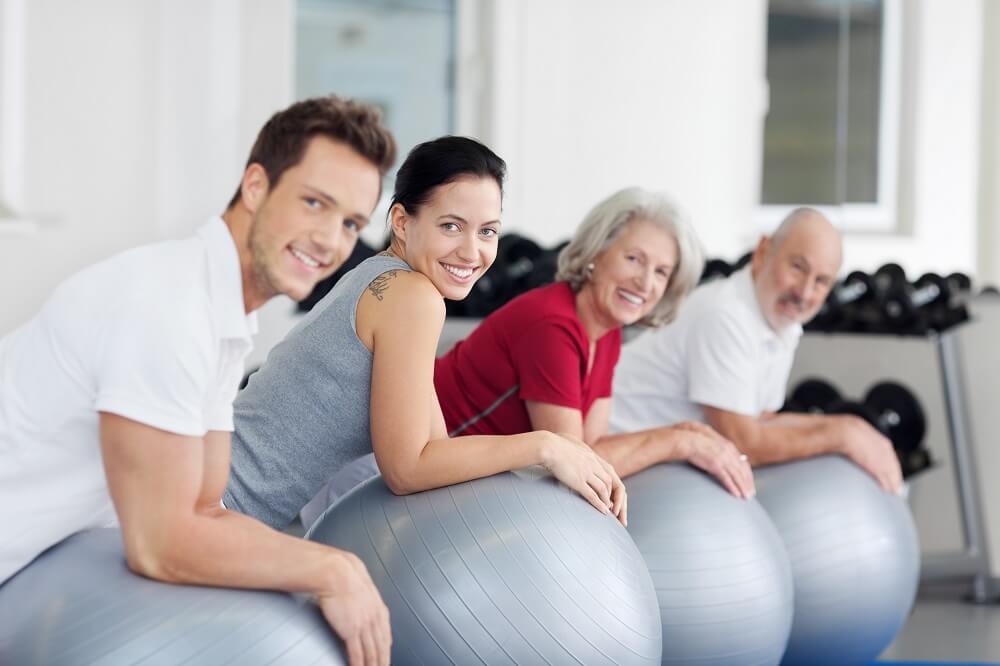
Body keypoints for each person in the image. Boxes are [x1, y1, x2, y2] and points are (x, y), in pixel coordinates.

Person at [0, 95, 397, 666]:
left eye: (350, 223)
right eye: (314, 203)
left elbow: (206, 508)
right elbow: (160, 544)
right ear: (256, 186)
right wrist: (333, 570)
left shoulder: (219, 315)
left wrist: (335, 572)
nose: (331, 240)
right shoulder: (166, 305)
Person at [225, 135, 627, 533]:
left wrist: (560, 449)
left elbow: (436, 449)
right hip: (218, 503)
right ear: (401, 221)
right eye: (451, 226)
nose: (472, 252)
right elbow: (407, 469)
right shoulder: (412, 296)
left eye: (488, 231)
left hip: (215, 491)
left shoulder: (384, 278)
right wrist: (545, 445)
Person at [433, 187, 755, 499]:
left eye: (661, 272)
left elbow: (592, 446)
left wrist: (684, 432)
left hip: (472, 484)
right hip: (423, 467)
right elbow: (573, 469)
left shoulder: (606, 332)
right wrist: (680, 441)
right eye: (633, 259)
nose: (644, 282)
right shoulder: (552, 324)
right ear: (596, 253)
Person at [610, 207, 904, 493]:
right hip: (611, 465)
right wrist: (841, 434)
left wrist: (852, 427)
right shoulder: (725, 314)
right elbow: (744, 443)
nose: (804, 292)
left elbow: (762, 420)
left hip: (660, 471)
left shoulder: (780, 322)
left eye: (821, 281)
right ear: (763, 251)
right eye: (798, 267)